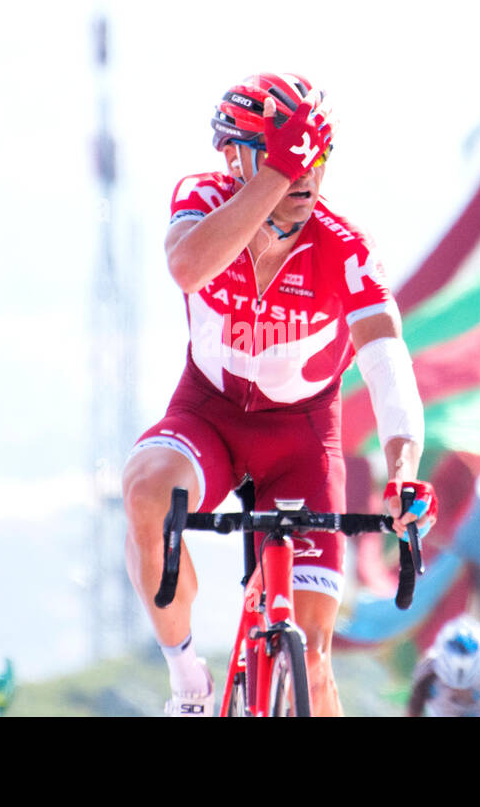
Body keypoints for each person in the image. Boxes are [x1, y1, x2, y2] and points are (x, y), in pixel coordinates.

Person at [122, 73, 437, 717]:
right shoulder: (201, 196)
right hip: (208, 415)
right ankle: (188, 684)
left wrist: (406, 474)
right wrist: (270, 175)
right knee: (147, 490)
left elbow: (388, 364)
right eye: (284, 154)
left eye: (314, 156)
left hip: (300, 440)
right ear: (233, 157)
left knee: (316, 656)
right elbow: (186, 267)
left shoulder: (343, 246)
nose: (303, 174)